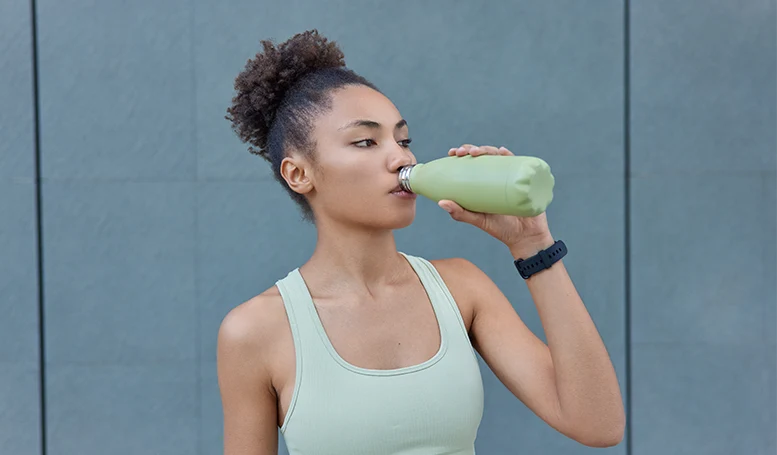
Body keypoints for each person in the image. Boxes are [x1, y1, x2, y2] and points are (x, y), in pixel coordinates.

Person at [218, 30, 625, 455]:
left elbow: (598, 425)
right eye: (365, 141)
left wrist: (533, 244)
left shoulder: (460, 289)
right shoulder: (254, 332)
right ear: (299, 174)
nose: (402, 158)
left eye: (403, 139)